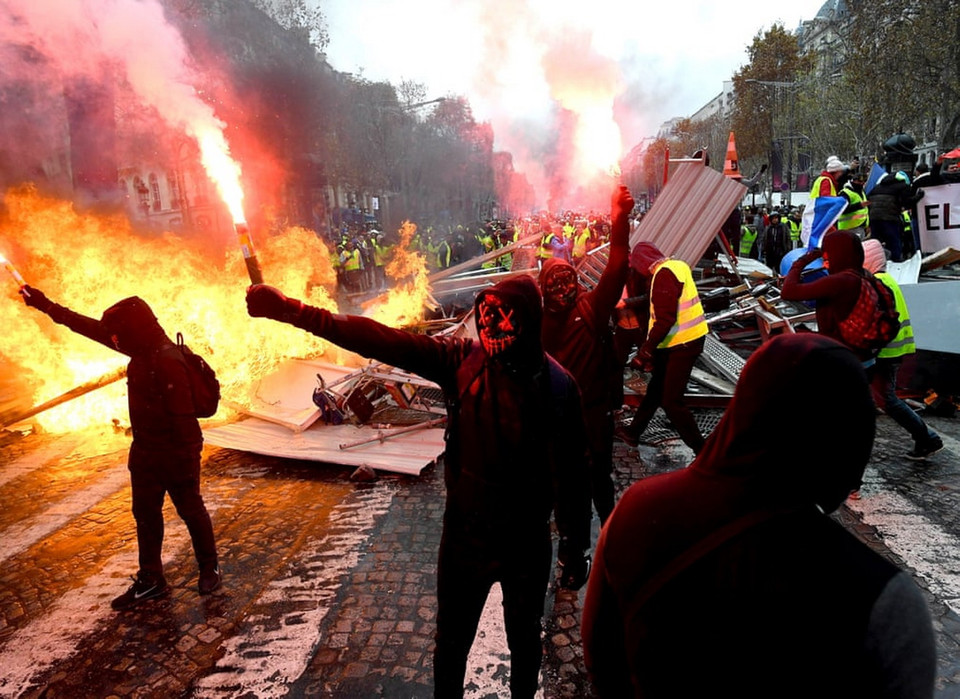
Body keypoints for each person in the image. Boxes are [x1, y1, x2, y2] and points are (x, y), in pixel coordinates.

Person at [245, 276, 592, 698]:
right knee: (457, 642)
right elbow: (383, 341)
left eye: (503, 324)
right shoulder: (470, 363)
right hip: (474, 538)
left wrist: (575, 543)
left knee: (518, 640)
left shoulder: (552, 386)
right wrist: (295, 312)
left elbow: (574, 472)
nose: (494, 334)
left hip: (516, 542)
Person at [582, 333, 937, 698]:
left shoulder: (639, 510)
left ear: (743, 408)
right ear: (849, 437)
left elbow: (600, 658)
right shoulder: (881, 598)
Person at [19, 289, 220, 609]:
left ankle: (209, 568)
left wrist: (182, 461)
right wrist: (45, 305)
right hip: (145, 451)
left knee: (190, 509)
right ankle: (152, 579)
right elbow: (87, 327)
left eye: (118, 333)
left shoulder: (168, 360)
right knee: (146, 515)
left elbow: (183, 419)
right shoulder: (140, 349)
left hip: (175, 452)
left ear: (134, 329)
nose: (114, 339)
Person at [539, 185, 634, 524]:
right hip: (563, 418)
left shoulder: (589, 308)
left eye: (568, 282)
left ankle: (606, 530)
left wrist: (619, 219)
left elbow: (618, 265)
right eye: (556, 285)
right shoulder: (538, 323)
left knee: (596, 479)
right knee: (566, 481)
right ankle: (574, 543)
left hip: (591, 413)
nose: (563, 290)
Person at [614, 242, 707, 455]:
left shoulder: (663, 275)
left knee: (671, 402)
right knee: (656, 390)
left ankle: (703, 451)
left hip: (682, 343)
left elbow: (664, 319)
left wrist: (645, 350)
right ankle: (633, 433)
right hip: (684, 339)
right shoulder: (678, 265)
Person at [862, 239, 944, 460]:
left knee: (887, 400)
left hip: (885, 352)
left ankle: (928, 438)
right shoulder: (886, 279)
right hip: (892, 349)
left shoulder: (877, 283)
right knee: (881, 399)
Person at [780, 229, 874, 363]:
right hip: (864, 356)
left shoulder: (839, 281)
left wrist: (801, 262)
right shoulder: (864, 275)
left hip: (843, 360)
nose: (826, 263)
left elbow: (788, 292)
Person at [868, 170, 924, 262]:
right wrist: (919, 196)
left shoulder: (876, 187)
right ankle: (895, 262)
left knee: (875, 242)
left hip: (874, 218)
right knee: (894, 241)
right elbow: (906, 202)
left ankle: (875, 261)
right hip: (890, 218)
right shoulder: (903, 186)